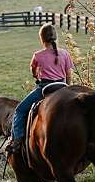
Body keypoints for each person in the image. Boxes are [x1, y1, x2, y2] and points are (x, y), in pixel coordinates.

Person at [7, 23, 74, 154]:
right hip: (62, 88)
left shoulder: (38, 55)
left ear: (41, 39)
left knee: (20, 110)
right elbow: (69, 74)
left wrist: (35, 75)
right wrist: (68, 88)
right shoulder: (65, 53)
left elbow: (33, 69)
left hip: (45, 88)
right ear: (55, 37)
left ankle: (17, 140)